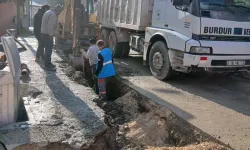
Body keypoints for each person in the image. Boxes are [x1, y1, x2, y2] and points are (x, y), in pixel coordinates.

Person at [41, 4, 62, 70]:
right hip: (48, 34)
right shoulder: (53, 15)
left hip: (44, 33)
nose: (59, 14)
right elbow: (50, 26)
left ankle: (48, 63)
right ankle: (47, 65)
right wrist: (51, 35)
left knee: (47, 49)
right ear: (58, 11)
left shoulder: (48, 12)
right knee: (48, 50)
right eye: (59, 13)